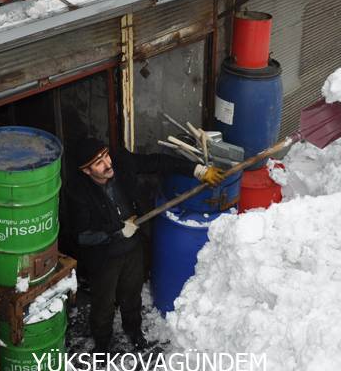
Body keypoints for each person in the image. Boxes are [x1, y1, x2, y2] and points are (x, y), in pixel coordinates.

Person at [67, 137, 224, 353]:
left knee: (132, 295)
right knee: (104, 305)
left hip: (133, 249)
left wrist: (197, 170)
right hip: (104, 258)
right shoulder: (78, 193)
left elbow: (159, 162)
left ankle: (134, 332)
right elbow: (83, 236)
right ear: (87, 171)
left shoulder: (121, 163)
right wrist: (117, 232)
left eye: (106, 156)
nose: (107, 164)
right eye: (98, 163)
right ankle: (102, 344)